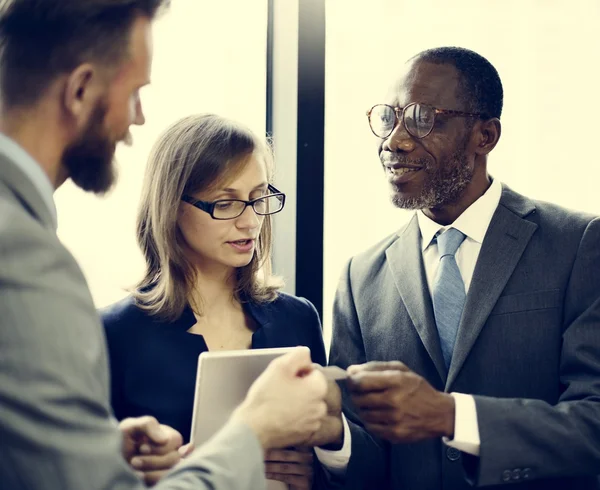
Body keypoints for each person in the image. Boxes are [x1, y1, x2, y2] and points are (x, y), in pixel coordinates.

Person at [0, 1, 330, 489]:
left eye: (259, 200)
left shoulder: (297, 317)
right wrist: (250, 435)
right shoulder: (35, 266)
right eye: (135, 92)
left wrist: (110, 453)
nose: (137, 120)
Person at [317, 46, 600, 489]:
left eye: (422, 118)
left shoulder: (579, 244)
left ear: (484, 136)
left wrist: (451, 416)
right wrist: (333, 439)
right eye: (389, 119)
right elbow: (365, 454)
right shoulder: (359, 277)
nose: (395, 140)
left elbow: (594, 422)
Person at [101, 113, 329, 489]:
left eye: (259, 198)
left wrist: (313, 475)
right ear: (172, 206)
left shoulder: (298, 319)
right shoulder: (112, 334)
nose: (250, 222)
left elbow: (329, 453)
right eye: (226, 203)